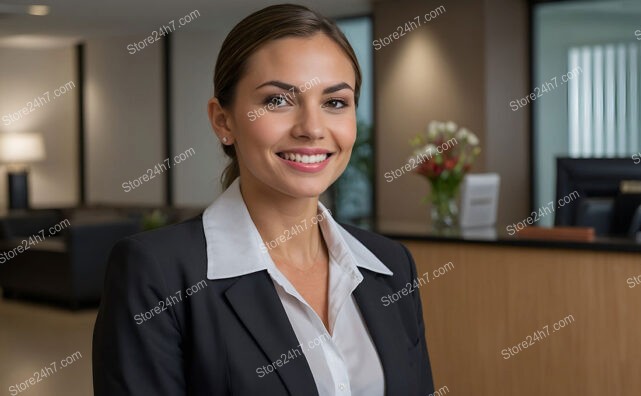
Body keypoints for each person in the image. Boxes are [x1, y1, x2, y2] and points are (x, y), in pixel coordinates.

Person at [92, 4, 433, 395]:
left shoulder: (391, 266)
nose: (312, 129)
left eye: (335, 102)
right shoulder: (157, 274)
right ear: (224, 121)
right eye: (277, 100)